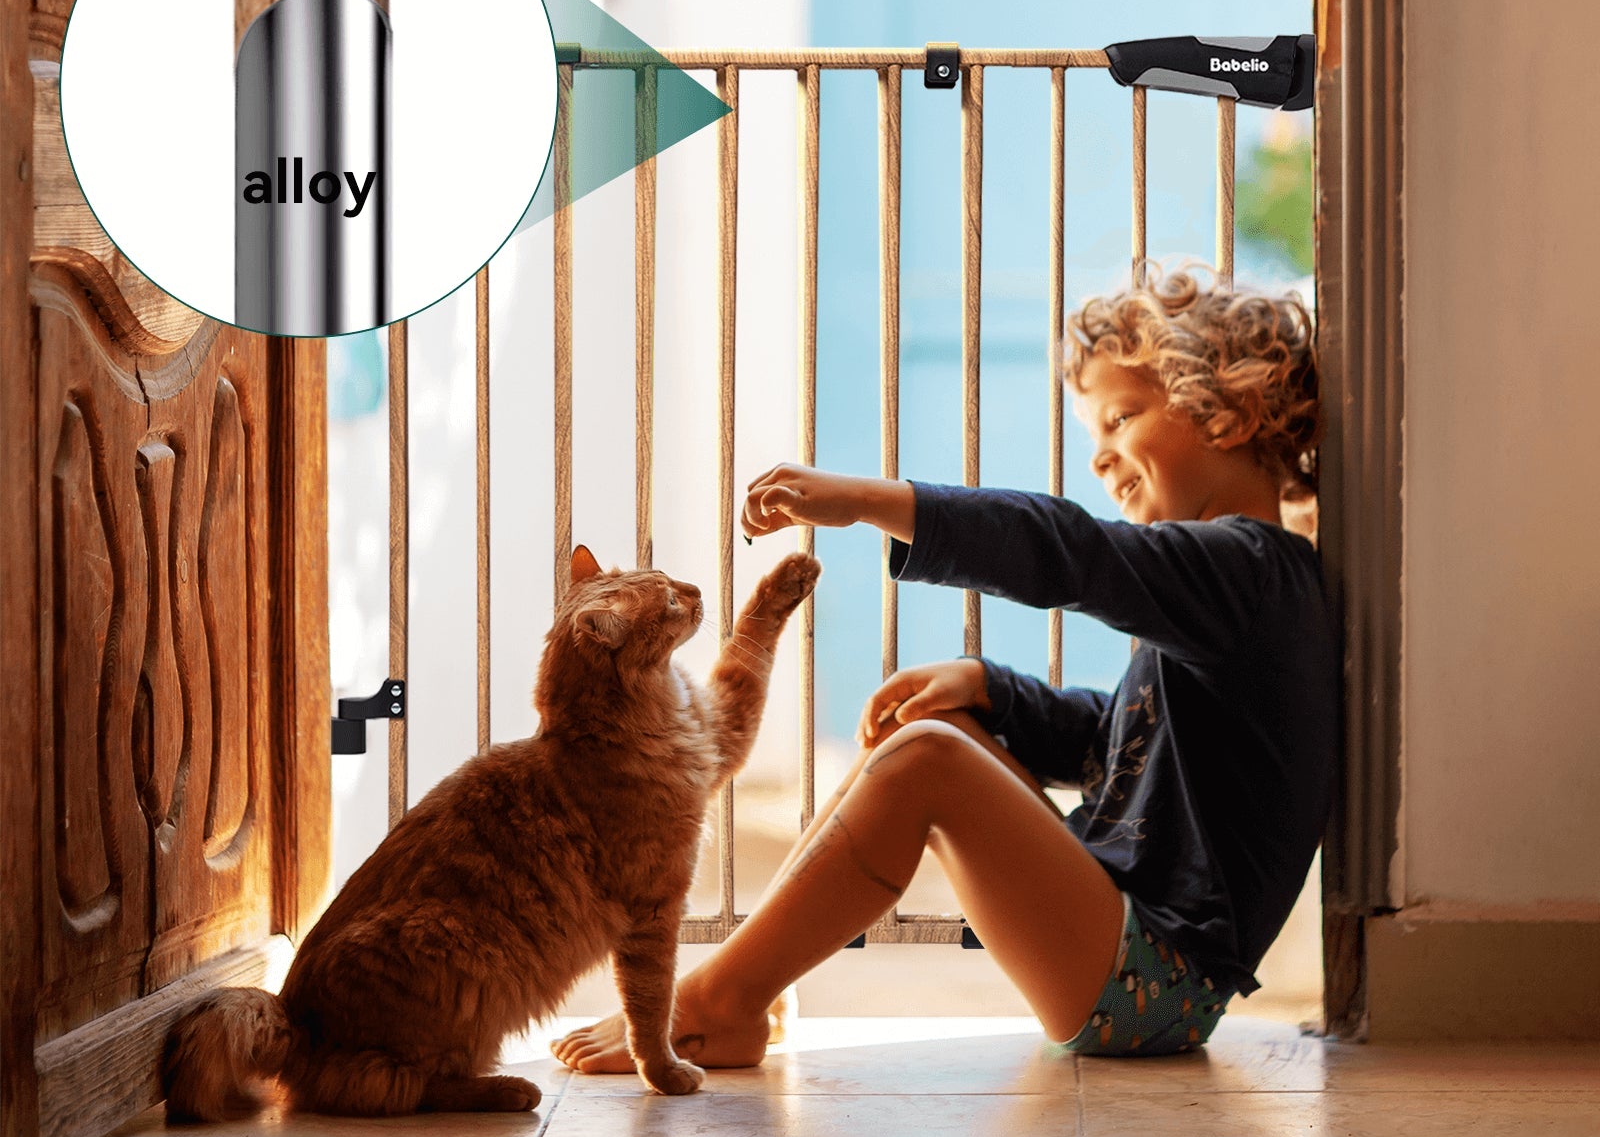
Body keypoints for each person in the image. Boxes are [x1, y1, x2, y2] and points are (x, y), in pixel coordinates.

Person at [553, 259, 1339, 1066]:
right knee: (939, 726)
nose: (1102, 458)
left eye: (1122, 416)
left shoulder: (1248, 572)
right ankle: (755, 976)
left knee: (928, 759)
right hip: (1129, 955)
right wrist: (991, 691)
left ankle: (720, 1002)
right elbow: (1120, 743)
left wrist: (872, 502)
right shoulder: (1237, 583)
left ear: (1232, 413)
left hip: (1154, 984)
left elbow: (1070, 552)